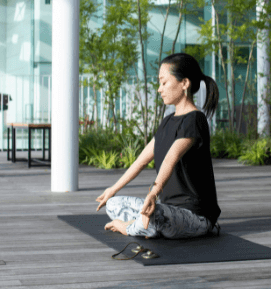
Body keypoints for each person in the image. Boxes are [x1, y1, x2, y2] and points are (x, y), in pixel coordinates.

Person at [95, 53, 221, 239]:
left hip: (195, 216)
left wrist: (153, 193)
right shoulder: (167, 121)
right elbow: (141, 161)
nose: (159, 89)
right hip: (168, 209)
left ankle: (130, 227)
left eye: (164, 83)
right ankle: (145, 225)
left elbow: (171, 157)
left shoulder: (195, 120)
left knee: (156, 213)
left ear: (184, 83)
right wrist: (113, 189)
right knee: (114, 204)